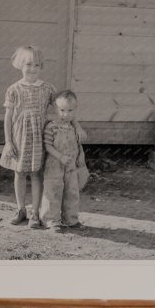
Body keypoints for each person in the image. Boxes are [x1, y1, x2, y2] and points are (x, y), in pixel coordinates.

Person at [0, 45, 54, 228]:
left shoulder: (47, 89)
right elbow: (8, 117)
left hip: (39, 137)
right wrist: (8, 141)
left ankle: (35, 212)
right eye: (29, 64)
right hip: (19, 137)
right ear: (20, 65)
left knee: (36, 173)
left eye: (37, 65)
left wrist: (74, 125)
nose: (33, 69)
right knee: (19, 172)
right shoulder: (14, 89)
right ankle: (21, 208)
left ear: (41, 67)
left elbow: (62, 107)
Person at [41, 90, 89, 233]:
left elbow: (79, 143)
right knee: (53, 191)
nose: (65, 114)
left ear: (75, 110)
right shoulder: (51, 126)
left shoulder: (74, 127)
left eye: (69, 110)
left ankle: (71, 219)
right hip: (54, 165)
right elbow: (47, 145)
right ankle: (51, 220)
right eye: (62, 110)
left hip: (71, 166)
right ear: (56, 109)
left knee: (72, 192)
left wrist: (81, 156)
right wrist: (60, 156)